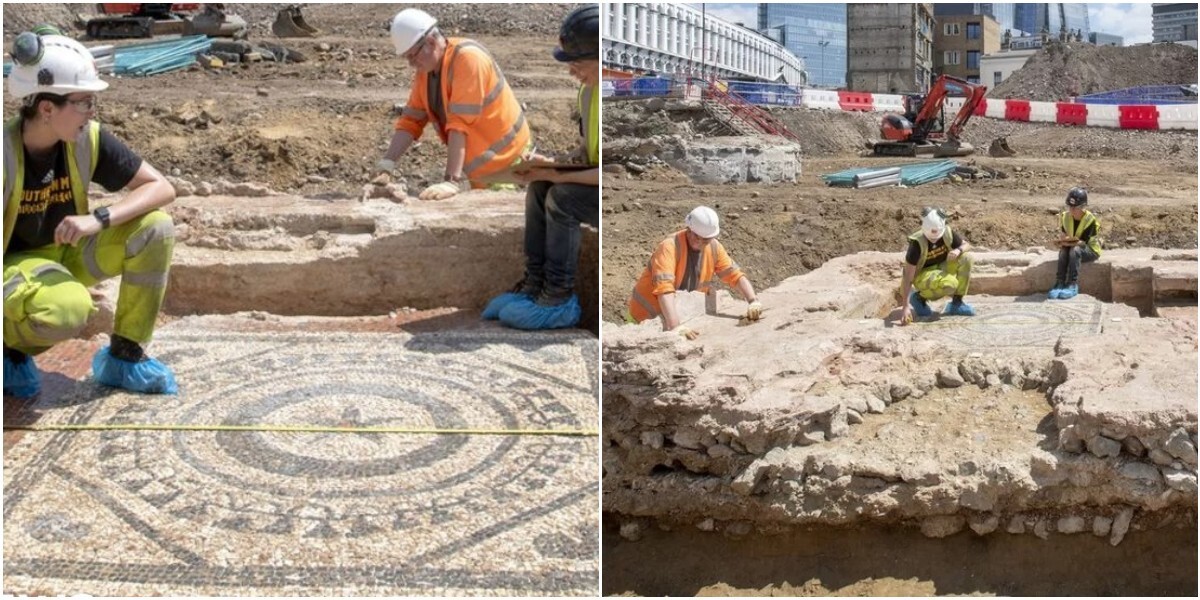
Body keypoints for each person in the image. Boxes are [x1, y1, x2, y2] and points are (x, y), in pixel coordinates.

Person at [4, 29, 178, 397]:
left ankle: (125, 355)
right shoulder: (4, 154)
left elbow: (161, 187)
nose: (91, 111)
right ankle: (9, 349)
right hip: (14, 267)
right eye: (82, 101)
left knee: (155, 229)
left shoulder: (88, 139)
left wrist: (98, 219)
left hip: (65, 254)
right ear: (47, 108)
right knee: (68, 309)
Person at [481, 5, 599, 330]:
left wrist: (556, 174)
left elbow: (613, 172)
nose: (571, 70)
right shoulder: (588, 93)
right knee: (539, 189)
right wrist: (552, 166)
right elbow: (590, 153)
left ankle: (558, 300)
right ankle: (535, 287)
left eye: (577, 62)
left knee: (562, 198)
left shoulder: (610, 97)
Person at [376, 8, 531, 201]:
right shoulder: (426, 70)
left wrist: (451, 180)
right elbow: (411, 120)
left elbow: (459, 124)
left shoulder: (468, 59)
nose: (411, 64)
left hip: (509, 163)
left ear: (431, 42)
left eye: (412, 56)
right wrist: (387, 164)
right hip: (483, 170)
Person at [626, 207, 763, 339]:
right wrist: (675, 327)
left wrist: (753, 301)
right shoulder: (669, 247)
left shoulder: (713, 247)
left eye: (707, 239)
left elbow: (734, 275)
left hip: (677, 317)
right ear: (690, 231)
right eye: (699, 238)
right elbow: (664, 290)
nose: (703, 243)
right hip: (643, 319)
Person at [899, 207, 975, 325]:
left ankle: (957, 303)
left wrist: (958, 250)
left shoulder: (946, 232)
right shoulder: (916, 244)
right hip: (922, 275)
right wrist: (905, 307)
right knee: (950, 284)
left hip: (940, 267)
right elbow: (908, 277)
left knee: (967, 258)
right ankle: (919, 298)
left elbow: (966, 245)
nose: (934, 240)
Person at [1050, 187, 1102, 300]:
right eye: (1070, 207)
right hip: (1072, 245)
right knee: (1063, 250)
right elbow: (1065, 233)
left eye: (1075, 207)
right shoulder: (1065, 217)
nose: (1072, 210)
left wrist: (1070, 243)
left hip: (1089, 250)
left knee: (1075, 250)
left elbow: (1084, 243)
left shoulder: (1090, 220)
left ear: (1083, 207)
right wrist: (1063, 240)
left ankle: (1072, 285)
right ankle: (1060, 282)